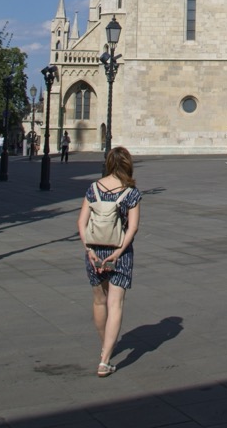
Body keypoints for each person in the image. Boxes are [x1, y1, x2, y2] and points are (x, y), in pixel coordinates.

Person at [77, 146, 141, 376]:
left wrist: (89, 250)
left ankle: (106, 348)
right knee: (115, 304)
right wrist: (119, 252)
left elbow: (81, 223)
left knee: (99, 301)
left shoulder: (93, 188)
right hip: (119, 252)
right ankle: (105, 360)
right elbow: (133, 228)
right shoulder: (131, 192)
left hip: (94, 251)